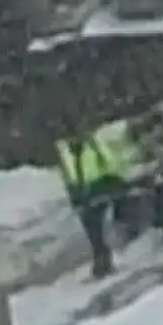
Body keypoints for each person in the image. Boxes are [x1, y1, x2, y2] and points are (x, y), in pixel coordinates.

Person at [55, 117, 141, 278]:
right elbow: (67, 175)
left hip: (100, 185)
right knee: (93, 230)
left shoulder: (93, 143)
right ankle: (102, 261)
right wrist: (75, 196)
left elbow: (109, 162)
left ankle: (115, 253)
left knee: (110, 221)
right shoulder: (65, 150)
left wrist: (116, 182)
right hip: (83, 191)